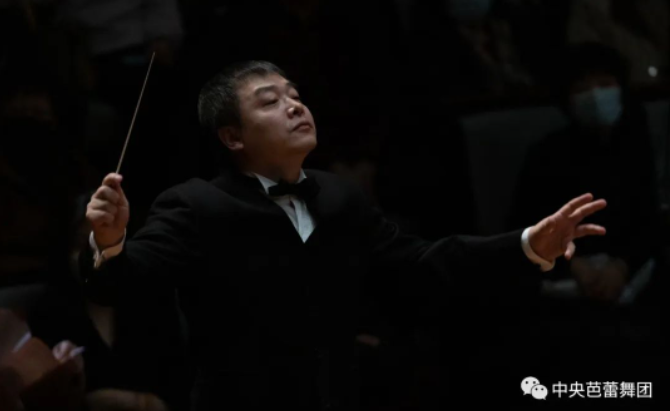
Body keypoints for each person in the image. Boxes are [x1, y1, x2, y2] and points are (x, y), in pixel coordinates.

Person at [82, 61, 607, 411]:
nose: (295, 106)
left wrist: (526, 245)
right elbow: (128, 283)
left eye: (295, 95)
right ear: (233, 136)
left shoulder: (338, 197)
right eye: (270, 102)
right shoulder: (195, 203)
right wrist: (110, 240)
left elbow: (420, 263)